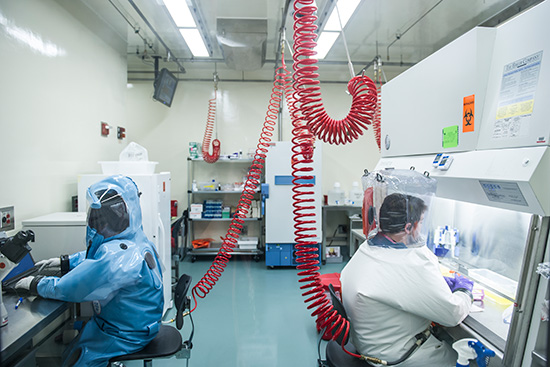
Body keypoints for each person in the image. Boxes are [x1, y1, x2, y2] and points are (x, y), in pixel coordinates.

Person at [15, 175, 164, 367]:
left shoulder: (119, 257)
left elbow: (71, 288)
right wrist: (65, 262)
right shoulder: (135, 238)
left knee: (78, 360)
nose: (95, 220)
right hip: (134, 323)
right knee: (73, 342)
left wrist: (35, 284)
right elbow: (98, 257)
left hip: (125, 333)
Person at [340, 192, 473, 367]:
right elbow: (452, 314)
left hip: (369, 345)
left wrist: (433, 283)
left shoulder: (369, 248)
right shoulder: (407, 261)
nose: (422, 229)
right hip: (399, 356)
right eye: (422, 222)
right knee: (467, 360)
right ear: (409, 227)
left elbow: (396, 284)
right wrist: (464, 291)